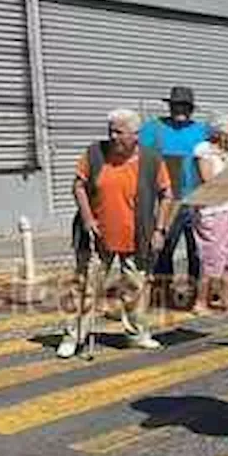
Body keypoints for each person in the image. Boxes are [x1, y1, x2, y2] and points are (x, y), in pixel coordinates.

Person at [58, 109, 173, 358]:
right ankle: (73, 336)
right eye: (110, 130)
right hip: (98, 235)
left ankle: (137, 334)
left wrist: (160, 229)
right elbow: (78, 185)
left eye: (119, 132)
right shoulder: (95, 153)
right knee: (86, 287)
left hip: (136, 235)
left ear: (135, 135)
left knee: (134, 287)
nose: (113, 136)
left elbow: (166, 195)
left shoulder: (151, 160)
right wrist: (88, 218)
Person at [140, 86, 210, 303]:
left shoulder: (203, 130)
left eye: (186, 107)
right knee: (164, 247)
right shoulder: (154, 129)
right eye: (177, 105)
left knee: (198, 250)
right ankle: (162, 292)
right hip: (169, 199)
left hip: (198, 198)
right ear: (170, 106)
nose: (181, 110)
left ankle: (197, 292)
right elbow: (141, 158)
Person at [191, 114, 228, 314]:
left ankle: (227, 299)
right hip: (214, 208)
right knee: (212, 256)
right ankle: (201, 301)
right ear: (219, 131)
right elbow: (209, 180)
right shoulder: (204, 150)